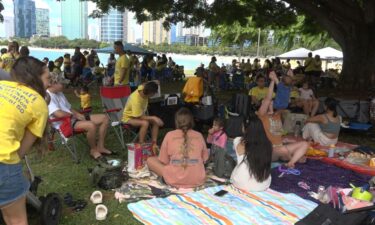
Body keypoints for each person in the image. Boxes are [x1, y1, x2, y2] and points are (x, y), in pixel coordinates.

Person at [0, 56, 50, 225]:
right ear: (35, 78)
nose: (49, 84)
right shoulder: (39, 103)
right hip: (3, 162)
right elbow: (21, 151)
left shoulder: (2, 85)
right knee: (16, 220)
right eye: (47, 78)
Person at [47, 72, 111, 160]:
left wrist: (79, 115)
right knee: (91, 125)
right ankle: (93, 150)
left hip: (73, 119)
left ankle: (100, 146)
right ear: (52, 83)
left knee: (104, 118)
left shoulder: (59, 93)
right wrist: (75, 116)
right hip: (65, 123)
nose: (64, 85)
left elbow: (69, 108)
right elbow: (59, 114)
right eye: (61, 83)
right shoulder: (47, 96)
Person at [147, 108, 209, 188]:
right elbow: (205, 159)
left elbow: (164, 161)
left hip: (174, 179)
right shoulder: (199, 135)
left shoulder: (169, 135)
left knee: (150, 160)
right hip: (197, 179)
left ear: (176, 121)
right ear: (192, 121)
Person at [257, 71, 308, 168]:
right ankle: (290, 158)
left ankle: (290, 161)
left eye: (271, 102)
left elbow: (284, 93)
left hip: (281, 147)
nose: (269, 102)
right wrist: (272, 81)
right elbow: (268, 98)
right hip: (270, 151)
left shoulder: (277, 114)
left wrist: (290, 76)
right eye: (265, 103)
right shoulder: (262, 115)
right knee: (283, 150)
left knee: (304, 144)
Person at [231, 116, 272, 192]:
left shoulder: (237, 141)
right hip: (263, 184)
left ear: (245, 128)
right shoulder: (267, 144)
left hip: (241, 183)